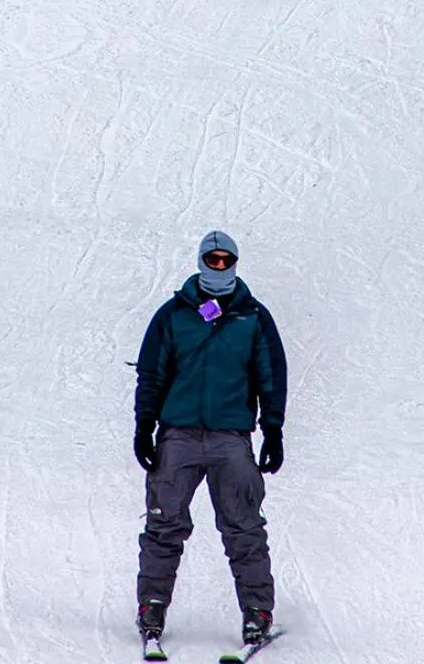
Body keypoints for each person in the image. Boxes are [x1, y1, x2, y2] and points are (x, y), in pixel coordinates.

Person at [133, 231, 288, 651]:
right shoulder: (174, 316)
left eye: (226, 261)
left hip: (230, 437)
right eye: (212, 260)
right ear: (201, 261)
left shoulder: (253, 318)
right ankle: (153, 604)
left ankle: (257, 611)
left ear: (235, 263)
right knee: (164, 524)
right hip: (178, 435)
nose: (218, 267)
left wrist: (272, 428)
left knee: (243, 527)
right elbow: (152, 372)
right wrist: (144, 425)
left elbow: (271, 376)